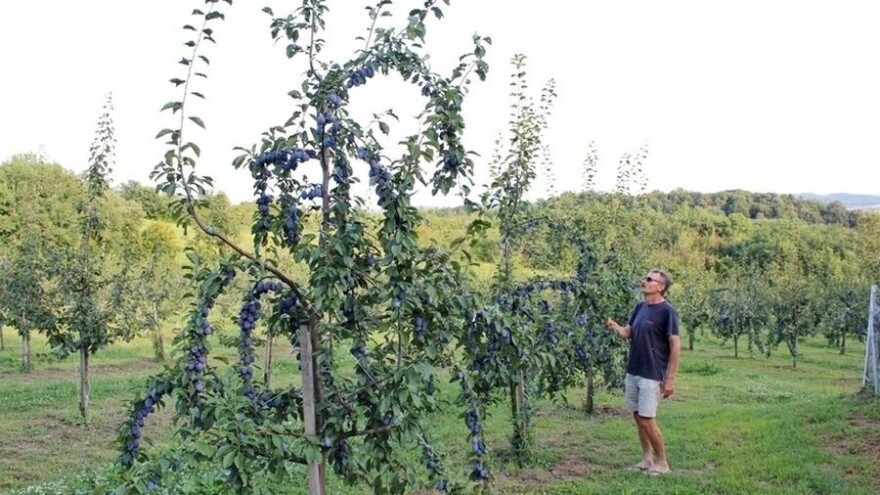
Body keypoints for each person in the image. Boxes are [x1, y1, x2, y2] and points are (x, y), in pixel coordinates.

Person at [605, 269, 681, 476]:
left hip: (652, 373)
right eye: (644, 278)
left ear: (661, 286)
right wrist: (615, 326)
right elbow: (628, 333)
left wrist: (670, 378)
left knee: (647, 418)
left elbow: (675, 345)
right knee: (638, 416)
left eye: (649, 279)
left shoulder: (667, 312)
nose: (644, 281)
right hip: (634, 369)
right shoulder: (640, 307)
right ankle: (647, 459)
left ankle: (662, 462)